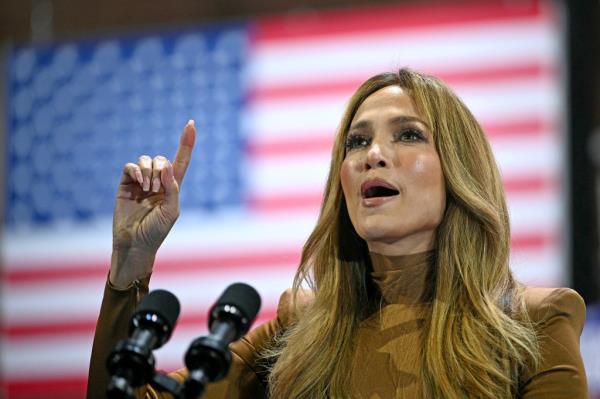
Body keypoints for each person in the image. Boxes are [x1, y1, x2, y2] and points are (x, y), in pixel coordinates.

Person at [87, 68, 588, 398]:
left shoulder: (536, 323)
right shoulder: (300, 330)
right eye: (357, 141)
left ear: (461, 171)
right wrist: (131, 262)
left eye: (408, 134)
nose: (373, 153)